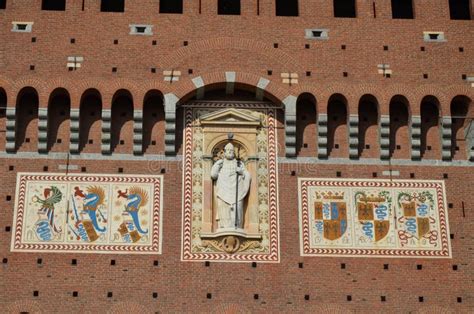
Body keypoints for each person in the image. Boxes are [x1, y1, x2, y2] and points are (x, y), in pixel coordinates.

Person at [211, 142, 251, 230]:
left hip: (237, 192)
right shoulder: (220, 163)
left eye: (231, 150)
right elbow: (213, 175)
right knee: (224, 209)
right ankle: (224, 227)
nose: (230, 152)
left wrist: (241, 172)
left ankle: (237, 226)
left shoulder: (239, 164)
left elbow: (247, 175)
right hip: (223, 191)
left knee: (237, 209)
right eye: (228, 150)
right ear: (224, 152)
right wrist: (217, 165)